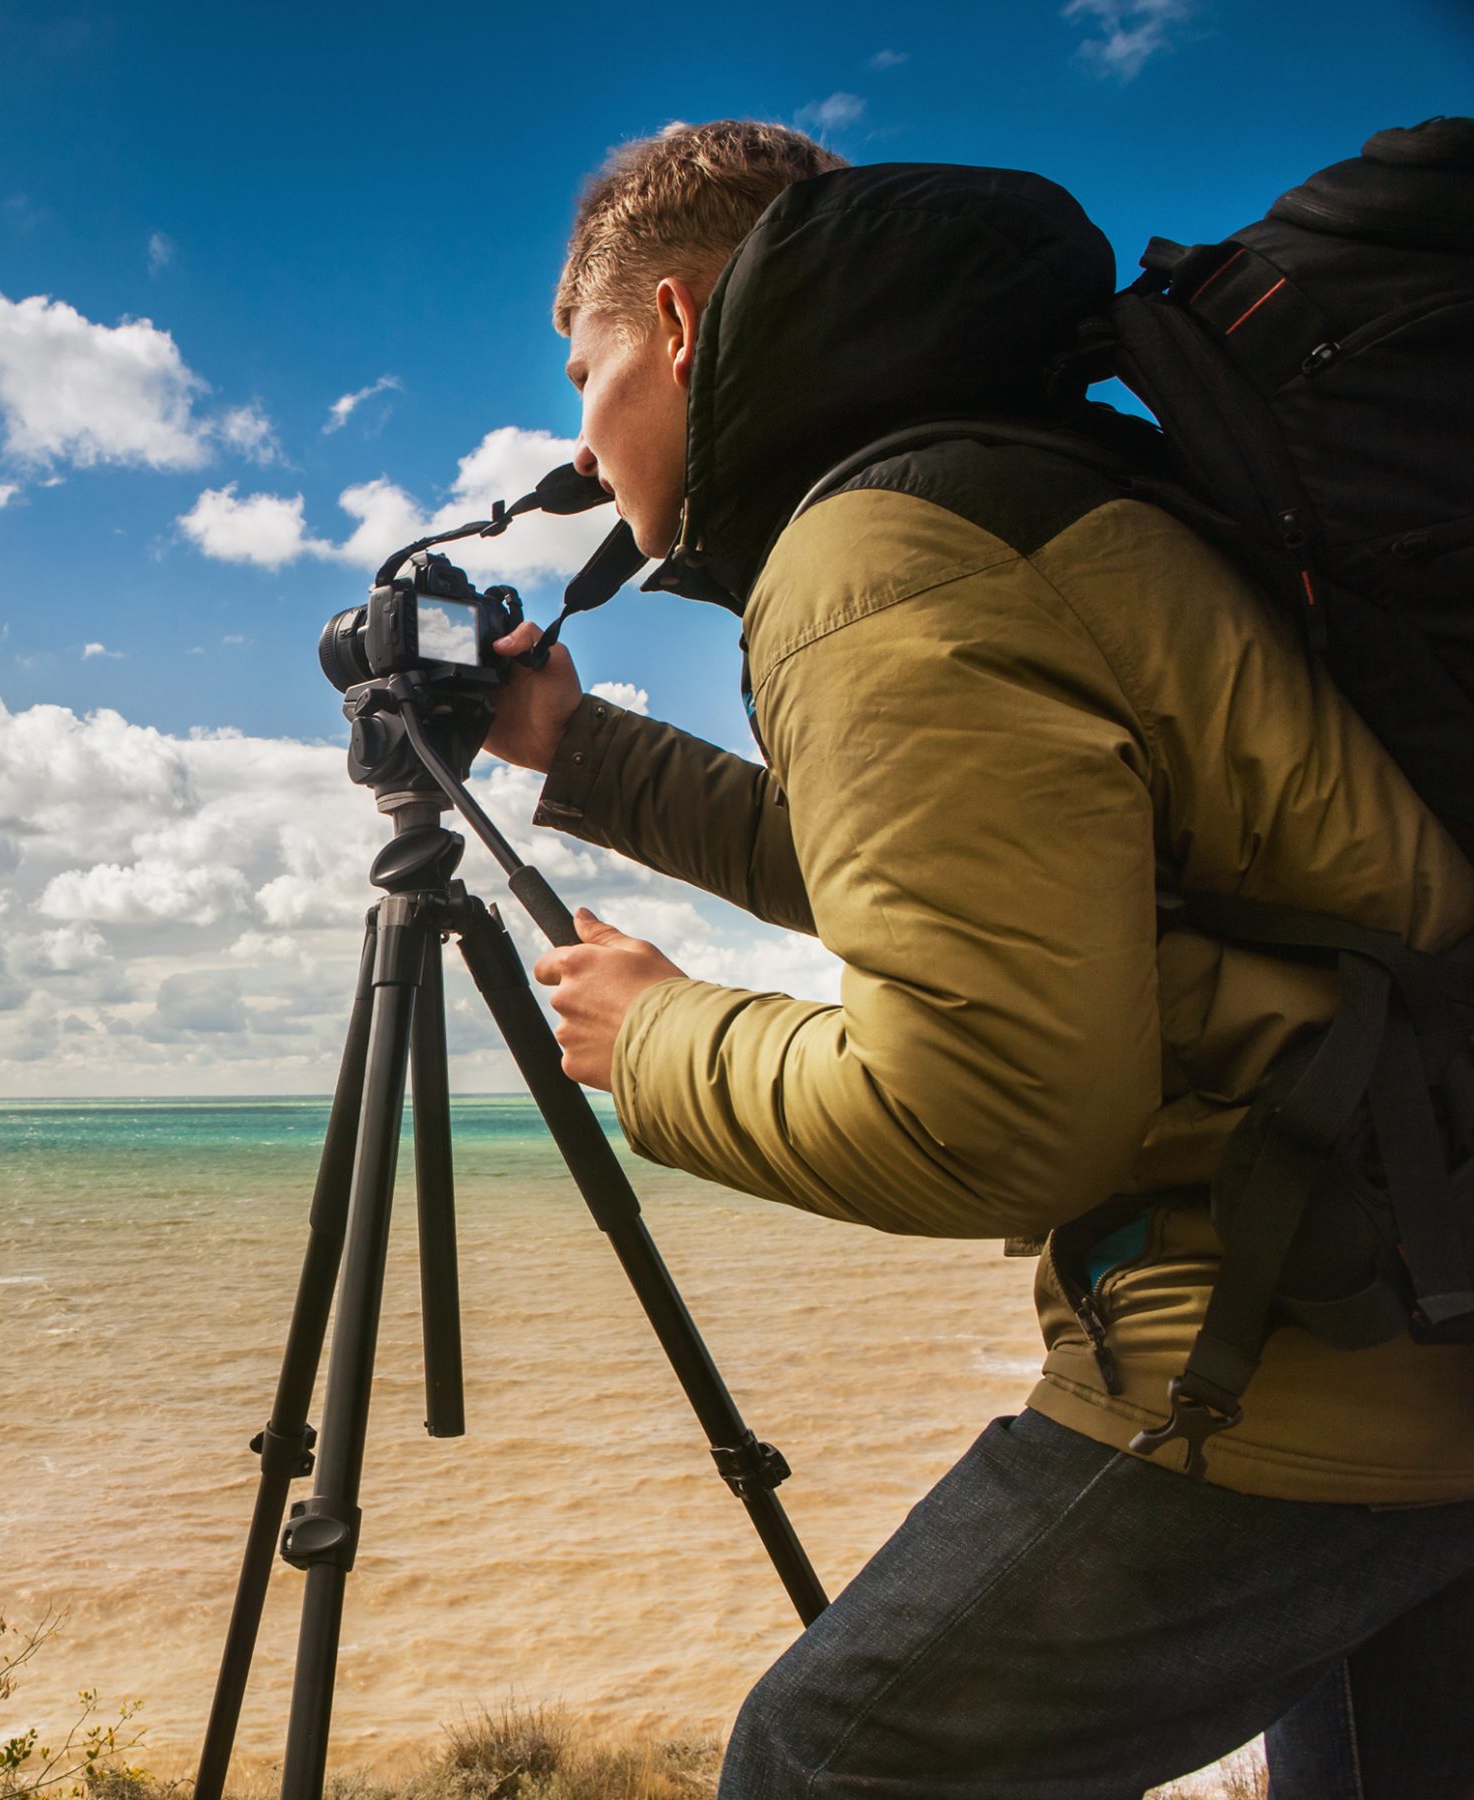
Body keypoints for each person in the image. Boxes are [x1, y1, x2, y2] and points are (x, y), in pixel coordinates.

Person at [485, 120, 1474, 1798]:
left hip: (1304, 1342)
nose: (580, 438)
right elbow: (984, 878)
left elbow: (997, 1112)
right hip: (1424, 1284)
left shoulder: (870, 559)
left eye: (581, 370)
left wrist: (655, 1037)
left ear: (667, 325)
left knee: (824, 1759)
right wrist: (576, 755)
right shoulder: (1026, 483)